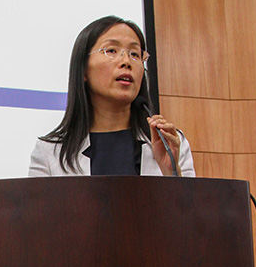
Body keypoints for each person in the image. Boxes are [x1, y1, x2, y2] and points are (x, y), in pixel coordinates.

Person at [29, 15, 195, 177]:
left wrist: (171, 172)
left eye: (135, 54)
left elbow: (190, 197)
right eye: (111, 51)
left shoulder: (170, 143)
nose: (126, 61)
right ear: (83, 69)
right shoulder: (49, 153)